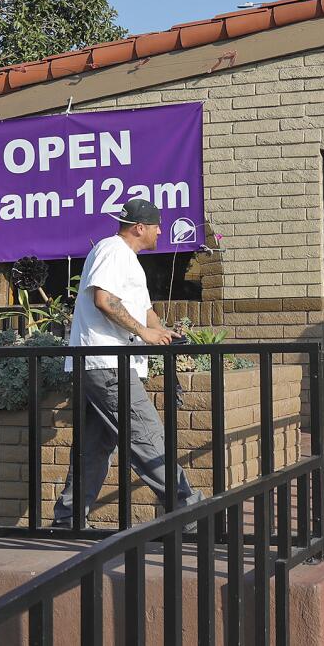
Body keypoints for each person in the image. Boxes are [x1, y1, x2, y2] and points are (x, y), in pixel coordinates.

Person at [52, 198, 200, 527]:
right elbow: (104, 299)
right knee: (147, 439)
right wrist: (143, 333)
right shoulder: (112, 250)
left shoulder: (129, 260)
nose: (162, 230)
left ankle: (68, 519)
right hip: (107, 363)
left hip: (104, 364)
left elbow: (145, 311)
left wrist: (162, 331)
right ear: (139, 228)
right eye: (157, 225)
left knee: (95, 445)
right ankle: (192, 514)